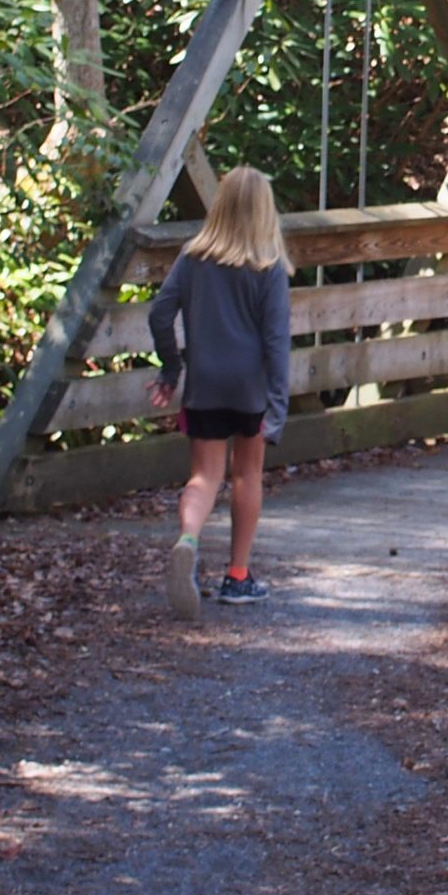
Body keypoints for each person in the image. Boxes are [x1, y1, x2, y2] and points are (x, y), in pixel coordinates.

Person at [145, 164, 292, 617]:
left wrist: (172, 370)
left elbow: (158, 314)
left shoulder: (193, 258)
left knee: (204, 477)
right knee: (246, 475)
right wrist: (278, 403)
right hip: (249, 387)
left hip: (204, 382)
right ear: (265, 212)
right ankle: (238, 576)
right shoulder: (269, 267)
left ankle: (188, 541)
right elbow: (275, 341)